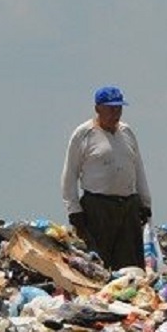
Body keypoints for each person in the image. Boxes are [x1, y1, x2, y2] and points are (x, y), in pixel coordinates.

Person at [60, 85, 152, 270]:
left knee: (130, 267)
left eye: (119, 108)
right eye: (110, 108)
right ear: (98, 109)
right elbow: (70, 174)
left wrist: (145, 203)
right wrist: (74, 210)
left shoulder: (126, 132)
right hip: (98, 208)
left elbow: (138, 169)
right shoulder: (83, 134)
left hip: (128, 206)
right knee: (99, 264)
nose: (115, 113)